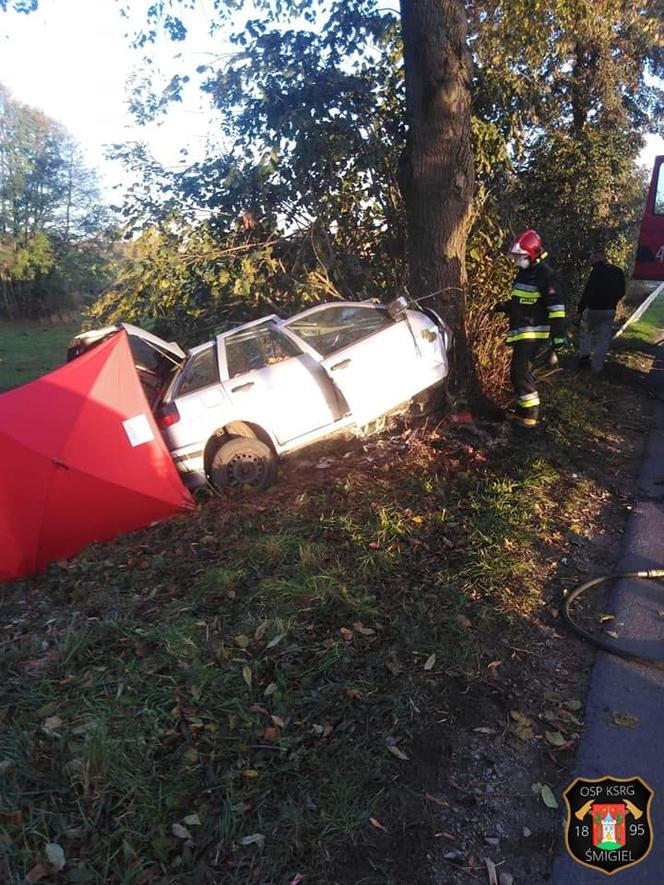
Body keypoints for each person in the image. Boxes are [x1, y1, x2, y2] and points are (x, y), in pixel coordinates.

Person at [494, 229, 566, 431]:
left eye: (521, 256)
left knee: (520, 372)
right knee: (521, 372)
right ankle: (522, 411)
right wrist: (505, 307)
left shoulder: (546, 275)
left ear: (533, 253)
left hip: (534, 334)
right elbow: (524, 302)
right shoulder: (526, 273)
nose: (517, 260)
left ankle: (529, 417)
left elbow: (556, 307)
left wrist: (559, 335)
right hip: (523, 331)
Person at [577, 252, 626, 373]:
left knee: (586, 331)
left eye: (592, 259)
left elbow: (588, 291)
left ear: (597, 258)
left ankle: (584, 357)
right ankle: (597, 367)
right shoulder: (618, 271)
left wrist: (580, 309)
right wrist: (613, 301)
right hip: (610, 309)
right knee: (604, 338)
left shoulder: (596, 271)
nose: (591, 262)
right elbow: (622, 291)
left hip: (594, 308)